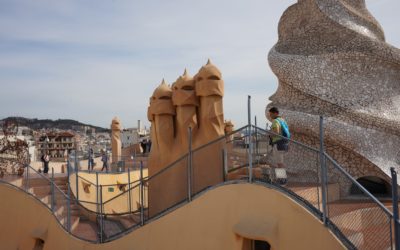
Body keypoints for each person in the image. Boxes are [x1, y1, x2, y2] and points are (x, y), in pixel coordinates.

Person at [268, 107, 290, 184]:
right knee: (281, 162)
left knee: (279, 163)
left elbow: (276, 132)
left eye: (271, 114)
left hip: (278, 143)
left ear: (275, 113)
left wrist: (269, 133)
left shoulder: (275, 121)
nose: (270, 116)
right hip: (284, 143)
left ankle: (282, 180)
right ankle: (282, 179)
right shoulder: (282, 120)